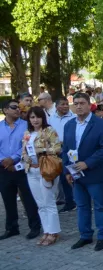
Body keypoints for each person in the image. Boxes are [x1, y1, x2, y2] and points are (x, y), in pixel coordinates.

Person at [62, 93, 103, 251]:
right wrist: (67, 170)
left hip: (94, 173)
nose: (78, 106)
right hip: (75, 174)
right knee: (82, 205)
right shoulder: (69, 125)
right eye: (75, 103)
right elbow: (65, 149)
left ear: (89, 104)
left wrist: (87, 163)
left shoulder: (101, 124)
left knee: (100, 205)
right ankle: (85, 235)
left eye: (81, 103)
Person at [0, 99, 41, 240]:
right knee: (8, 199)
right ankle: (12, 228)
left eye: (19, 107)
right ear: (5, 110)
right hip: (4, 169)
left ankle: (35, 227)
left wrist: (13, 158)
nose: (18, 109)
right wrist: (4, 161)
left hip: (22, 167)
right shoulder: (0, 127)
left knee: (28, 198)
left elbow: (27, 145)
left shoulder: (26, 126)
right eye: (14, 107)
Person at [22, 107, 62, 245]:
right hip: (31, 171)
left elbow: (57, 148)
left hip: (46, 169)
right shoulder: (28, 133)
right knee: (40, 204)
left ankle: (54, 232)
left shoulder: (49, 130)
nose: (35, 120)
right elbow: (24, 150)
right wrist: (25, 157)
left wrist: (41, 150)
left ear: (42, 118)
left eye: (37, 117)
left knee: (49, 202)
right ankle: (47, 230)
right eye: (32, 117)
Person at [49, 97, 77, 213]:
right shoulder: (51, 118)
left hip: (71, 150)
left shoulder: (74, 117)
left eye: (67, 104)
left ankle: (78, 199)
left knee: (75, 174)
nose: (65, 106)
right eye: (62, 104)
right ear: (56, 106)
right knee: (63, 176)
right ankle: (69, 201)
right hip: (57, 151)